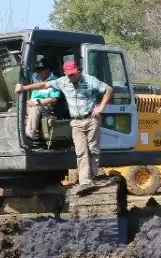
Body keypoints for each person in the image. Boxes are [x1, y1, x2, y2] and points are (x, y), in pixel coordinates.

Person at [15, 59, 114, 193]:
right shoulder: (62, 81)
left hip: (91, 119)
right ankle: (85, 181)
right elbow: (44, 85)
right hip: (76, 122)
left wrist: (101, 106)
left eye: (73, 74)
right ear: (65, 73)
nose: (71, 77)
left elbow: (108, 89)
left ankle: (92, 176)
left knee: (93, 150)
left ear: (78, 70)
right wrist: (24, 88)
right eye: (69, 74)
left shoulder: (90, 80)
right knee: (81, 151)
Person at [16, 58, 61, 144]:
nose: (39, 72)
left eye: (41, 70)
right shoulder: (34, 77)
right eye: (37, 70)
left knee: (35, 108)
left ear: (47, 70)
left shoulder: (55, 81)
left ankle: (29, 134)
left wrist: (37, 102)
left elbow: (54, 99)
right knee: (19, 108)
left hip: (46, 106)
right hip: (31, 104)